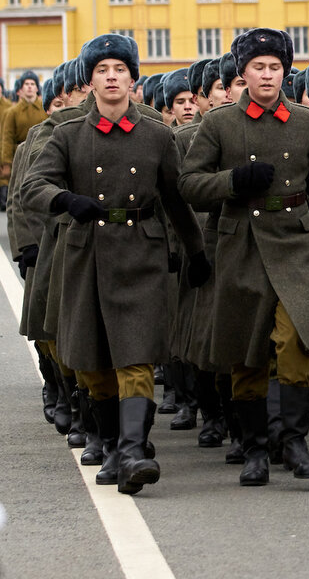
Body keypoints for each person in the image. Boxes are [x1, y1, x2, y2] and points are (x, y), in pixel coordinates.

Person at [180, 28, 309, 487]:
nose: (267, 75)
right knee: (247, 350)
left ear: (286, 72)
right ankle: (255, 447)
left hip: (296, 241)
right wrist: (233, 180)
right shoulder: (220, 123)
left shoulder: (307, 123)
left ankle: (294, 439)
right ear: (243, 72)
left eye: (275, 67)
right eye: (258, 67)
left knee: (296, 340)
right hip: (240, 242)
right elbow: (189, 184)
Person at [24, 34, 208, 495]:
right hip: (86, 254)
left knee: (136, 360)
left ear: (132, 78)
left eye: (120, 70)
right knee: (93, 366)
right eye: (103, 70)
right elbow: (32, 187)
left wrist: (196, 252)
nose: (111, 77)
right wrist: (65, 198)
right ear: (90, 80)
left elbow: (176, 198)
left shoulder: (157, 134)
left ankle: (132, 451)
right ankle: (109, 445)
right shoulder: (67, 133)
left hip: (140, 255)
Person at [2, 71, 47, 208]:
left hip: (41, 154)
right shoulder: (12, 112)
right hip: (19, 156)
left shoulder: (45, 108)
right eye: (26, 84)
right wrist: (6, 162)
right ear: (20, 89)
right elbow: (7, 138)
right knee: (18, 194)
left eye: (32, 84)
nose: (29, 87)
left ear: (37, 88)